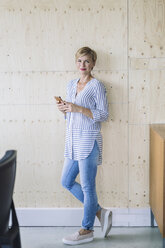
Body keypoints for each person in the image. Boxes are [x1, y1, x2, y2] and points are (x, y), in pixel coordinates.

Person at [56, 47, 112, 245]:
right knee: (66, 181)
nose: (83, 65)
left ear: (93, 63)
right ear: (76, 63)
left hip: (88, 140)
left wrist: (77, 108)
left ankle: (87, 229)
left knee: (88, 187)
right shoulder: (71, 85)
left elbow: (104, 115)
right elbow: (71, 115)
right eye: (80, 61)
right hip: (72, 141)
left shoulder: (97, 86)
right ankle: (99, 211)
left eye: (87, 61)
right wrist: (65, 110)